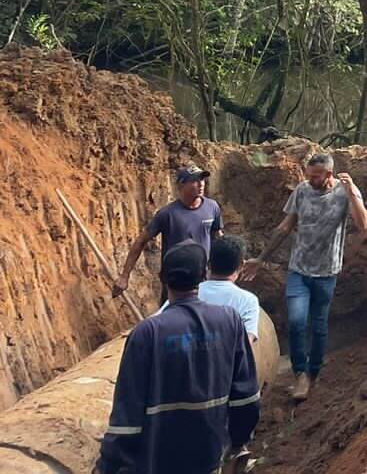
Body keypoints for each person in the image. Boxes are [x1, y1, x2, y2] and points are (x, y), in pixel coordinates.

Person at [98, 242, 260, 474]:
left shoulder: (147, 332)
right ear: (203, 276)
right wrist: (238, 441)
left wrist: (109, 464)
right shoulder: (230, 320)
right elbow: (245, 396)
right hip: (209, 452)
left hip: (157, 458)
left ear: (162, 277)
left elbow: (127, 413)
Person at [242, 152, 367, 403]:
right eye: (308, 175)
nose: (310, 180)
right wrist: (261, 258)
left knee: (319, 324)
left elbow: (363, 223)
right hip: (298, 269)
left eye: (316, 177)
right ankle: (300, 371)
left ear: (329, 175)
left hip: (326, 272)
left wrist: (353, 192)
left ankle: (313, 372)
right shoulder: (302, 191)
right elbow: (286, 226)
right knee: (297, 321)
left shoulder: (345, 193)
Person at [112, 165, 223, 301]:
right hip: (174, 282)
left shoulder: (212, 207)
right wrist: (124, 276)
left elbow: (218, 238)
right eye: (194, 180)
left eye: (202, 180)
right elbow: (141, 242)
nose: (200, 184)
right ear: (181, 185)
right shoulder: (167, 214)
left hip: (202, 279)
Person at [152, 235, 261, 341]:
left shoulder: (189, 291)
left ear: (208, 264)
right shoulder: (248, 301)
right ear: (241, 265)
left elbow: (155, 321)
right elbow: (247, 344)